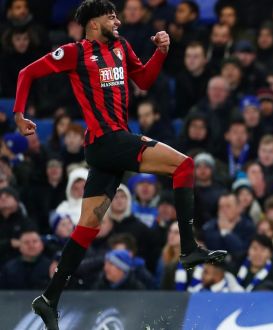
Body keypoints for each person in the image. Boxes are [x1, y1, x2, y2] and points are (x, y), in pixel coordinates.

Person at [12, 1, 226, 329]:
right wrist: (19, 114)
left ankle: (49, 298)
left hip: (111, 145)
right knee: (184, 166)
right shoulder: (75, 52)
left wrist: (161, 53)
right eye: (111, 15)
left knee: (87, 228)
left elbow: (144, 80)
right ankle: (188, 248)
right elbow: (27, 73)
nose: (118, 20)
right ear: (93, 22)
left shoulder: (122, 47)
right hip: (105, 140)